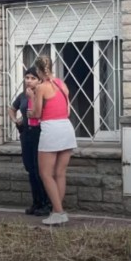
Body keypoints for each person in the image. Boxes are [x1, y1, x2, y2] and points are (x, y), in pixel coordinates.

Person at [29, 55, 76, 226]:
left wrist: (32, 99)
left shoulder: (42, 87)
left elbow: (37, 113)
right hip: (67, 128)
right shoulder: (61, 84)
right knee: (60, 173)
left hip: (51, 129)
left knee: (46, 174)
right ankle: (57, 211)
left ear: (38, 70)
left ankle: (59, 212)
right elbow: (68, 110)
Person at [8, 66, 50, 217]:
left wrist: (33, 97)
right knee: (30, 168)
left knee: (39, 169)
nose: (29, 81)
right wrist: (16, 120)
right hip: (26, 134)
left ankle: (46, 203)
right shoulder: (23, 96)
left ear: (39, 80)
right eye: (27, 78)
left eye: (33, 78)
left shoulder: (42, 94)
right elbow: (12, 109)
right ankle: (36, 202)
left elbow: (40, 113)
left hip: (39, 134)